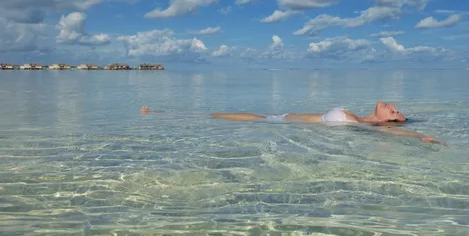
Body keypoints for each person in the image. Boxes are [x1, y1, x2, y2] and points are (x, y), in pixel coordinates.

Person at [140, 101, 445, 144]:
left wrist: (419, 136)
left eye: (394, 110)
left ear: (388, 120)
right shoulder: (360, 118)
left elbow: (397, 135)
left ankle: (158, 115)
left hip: (277, 124)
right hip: (280, 118)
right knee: (221, 114)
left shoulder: (363, 126)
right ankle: (161, 114)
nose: (392, 105)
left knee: (216, 115)